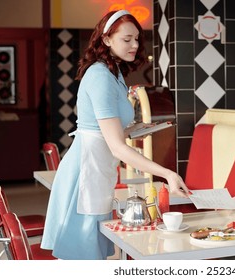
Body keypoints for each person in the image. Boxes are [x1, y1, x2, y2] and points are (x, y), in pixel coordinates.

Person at [40, 10, 190, 260]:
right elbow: (117, 147)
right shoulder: (100, 76)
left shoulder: (114, 73)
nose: (134, 45)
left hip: (98, 168)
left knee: (94, 252)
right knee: (85, 258)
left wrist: (137, 129)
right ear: (107, 39)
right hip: (86, 173)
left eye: (137, 39)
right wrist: (167, 174)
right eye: (127, 39)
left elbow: (106, 129)